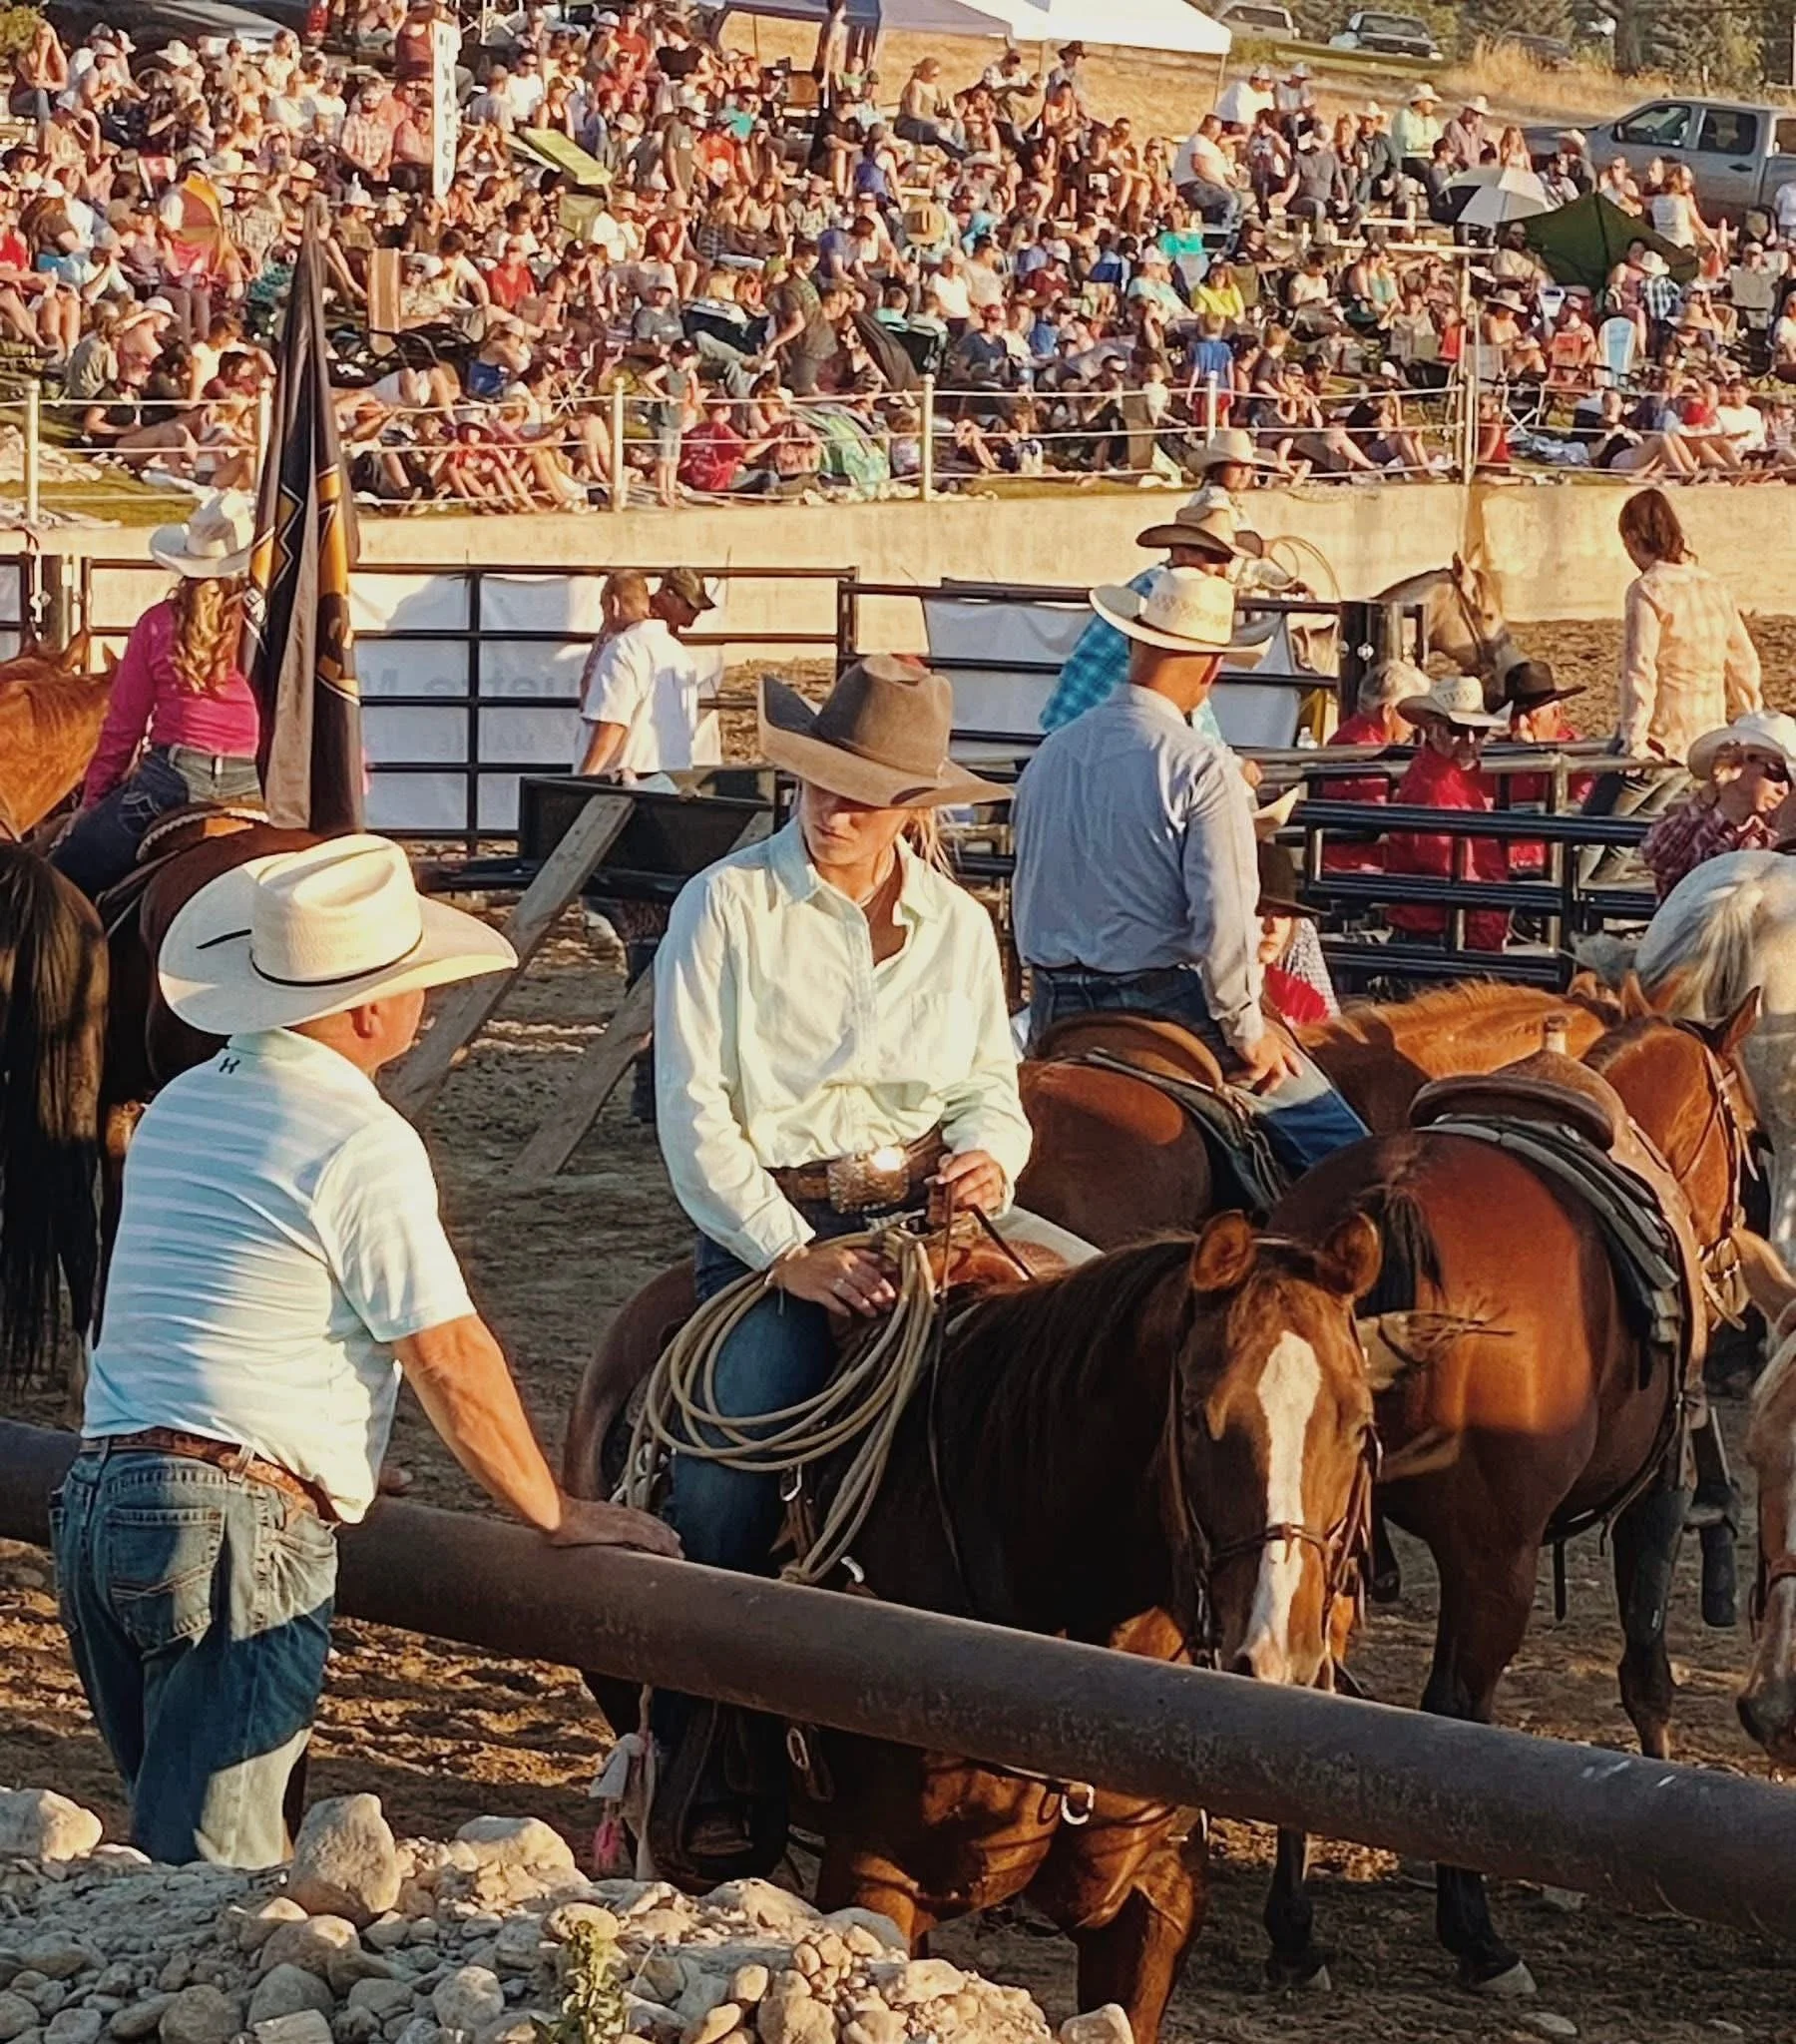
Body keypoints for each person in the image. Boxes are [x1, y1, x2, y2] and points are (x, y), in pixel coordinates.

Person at [54, 834, 675, 1868]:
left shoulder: (179, 1109)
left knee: (166, 1850)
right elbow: (449, 1352)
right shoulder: (360, 1140)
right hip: (234, 1520)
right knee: (213, 1876)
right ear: (371, 1011)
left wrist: (328, 1445)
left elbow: (208, 1302)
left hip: (102, 1495)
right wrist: (551, 1510)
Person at [650, 656, 1031, 1868]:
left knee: (1074, 1382)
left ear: (913, 806)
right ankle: (700, 1742)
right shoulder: (723, 905)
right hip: (774, 1223)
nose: (832, 810)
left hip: (929, 1221)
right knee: (724, 1474)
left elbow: (990, 1081)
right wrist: (786, 1254)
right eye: (819, 783)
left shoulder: (958, 927)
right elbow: (693, 1111)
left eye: (863, 794)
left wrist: (991, 1154)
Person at [1013, 567, 1367, 1176]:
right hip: (1158, 1002)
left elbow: (1027, 891)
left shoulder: (1051, 754)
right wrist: (1247, 1030)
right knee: (1350, 1157)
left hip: (1053, 1007)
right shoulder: (1203, 767)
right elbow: (1224, 919)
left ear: (1133, 644)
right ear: (1211, 670)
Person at [50, 493, 263, 901]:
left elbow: (123, 726)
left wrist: (93, 799)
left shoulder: (155, 624)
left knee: (62, 878)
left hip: (168, 784)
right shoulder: (265, 630)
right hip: (256, 782)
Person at [1039, 496, 1254, 733]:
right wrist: (1217, 751)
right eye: (1215, 557)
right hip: (1109, 732)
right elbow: (1187, 690)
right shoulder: (1173, 600)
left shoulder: (1160, 588)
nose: (1225, 568)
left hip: (1076, 725)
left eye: (1227, 558)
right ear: (1182, 554)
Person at [1616, 487, 1761, 771]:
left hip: (1664, 739)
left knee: (1603, 801)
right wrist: (1751, 720)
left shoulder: (1648, 589)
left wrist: (1635, 739)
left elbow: (1641, 666)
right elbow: (1743, 662)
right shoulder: (1713, 586)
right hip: (1710, 737)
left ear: (1632, 538)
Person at [1383, 672, 1511, 954]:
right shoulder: (1434, 788)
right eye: (1458, 729)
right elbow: (1456, 870)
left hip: (1444, 933)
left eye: (1479, 731)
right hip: (1443, 937)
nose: (1470, 740)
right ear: (1433, 730)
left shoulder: (1445, 779)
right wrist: (1488, 932)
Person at [574, 566, 715, 781]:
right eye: (690, 606)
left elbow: (612, 722)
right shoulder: (679, 654)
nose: (694, 616)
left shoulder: (624, 648)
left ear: (614, 606)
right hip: (672, 779)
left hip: (628, 784)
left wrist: (584, 781)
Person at [1641, 711, 1796, 898]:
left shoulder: (1777, 833)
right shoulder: (1693, 822)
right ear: (1738, 762)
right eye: (1777, 772)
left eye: (1791, 780)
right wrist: (1720, 804)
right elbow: (1661, 859)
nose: (1784, 788)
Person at [1318, 657, 1420, 871]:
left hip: (1343, 859)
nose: (1415, 725)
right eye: (1411, 714)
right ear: (1388, 712)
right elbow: (1379, 818)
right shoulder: (1366, 754)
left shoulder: (1350, 737)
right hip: (1358, 865)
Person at [1255, 840, 1338, 1027]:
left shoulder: (1303, 1000)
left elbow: (1330, 1032)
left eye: (1283, 915)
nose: (1273, 926)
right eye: (1260, 911)